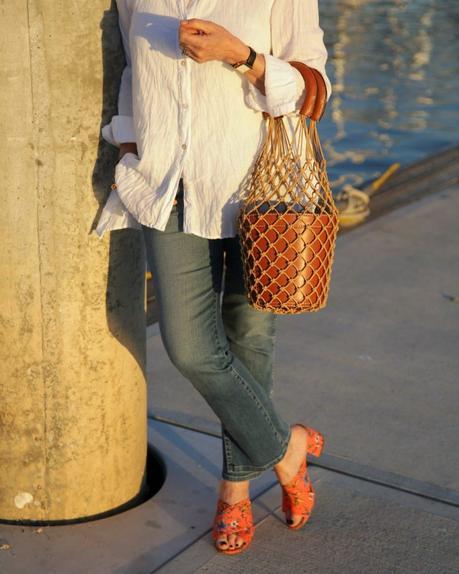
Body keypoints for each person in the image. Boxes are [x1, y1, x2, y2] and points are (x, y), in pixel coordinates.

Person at [95, 0, 332, 555]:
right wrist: (132, 147)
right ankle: (287, 447)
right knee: (191, 349)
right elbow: (132, 69)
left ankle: (234, 491)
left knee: (249, 340)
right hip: (167, 186)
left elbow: (314, 91)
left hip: (260, 192)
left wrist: (241, 56)